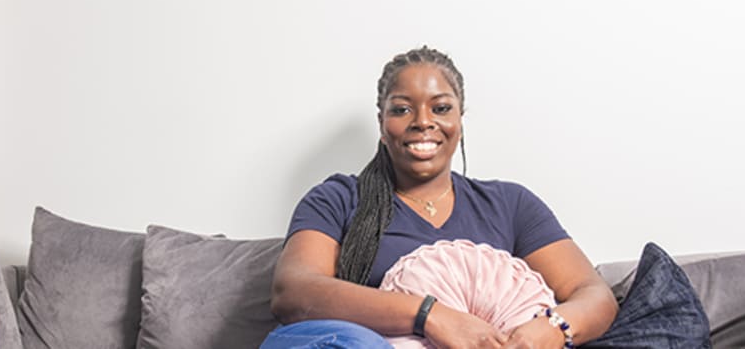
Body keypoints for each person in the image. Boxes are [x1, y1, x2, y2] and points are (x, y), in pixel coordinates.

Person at [263, 46, 618, 348]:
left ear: (459, 120)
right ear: (382, 125)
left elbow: (594, 294)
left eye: (441, 108)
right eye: (402, 109)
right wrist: (430, 315)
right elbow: (293, 293)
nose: (422, 121)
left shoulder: (510, 205)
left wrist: (552, 326)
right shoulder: (337, 199)